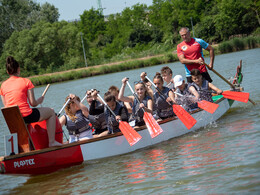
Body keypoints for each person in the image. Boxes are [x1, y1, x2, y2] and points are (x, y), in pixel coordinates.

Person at [0, 56, 61, 147]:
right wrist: (39, 100)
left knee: (23, 119)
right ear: (18, 69)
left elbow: (7, 106)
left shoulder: (3, 86)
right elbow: (33, 103)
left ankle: (28, 147)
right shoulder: (26, 81)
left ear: (8, 72)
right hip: (26, 116)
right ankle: (52, 142)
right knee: (51, 112)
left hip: (12, 119)